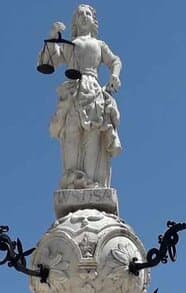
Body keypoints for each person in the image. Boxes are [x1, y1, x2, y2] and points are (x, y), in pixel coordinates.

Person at [43, 6, 122, 189]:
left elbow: (115, 61)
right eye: (80, 14)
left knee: (93, 133)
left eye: (87, 13)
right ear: (75, 21)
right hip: (73, 91)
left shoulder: (99, 44)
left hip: (93, 90)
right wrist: (54, 37)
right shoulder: (70, 44)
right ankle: (72, 178)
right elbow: (51, 60)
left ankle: (92, 181)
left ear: (94, 20)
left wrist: (114, 75)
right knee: (71, 133)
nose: (84, 16)